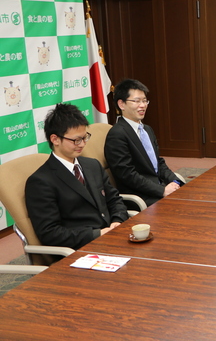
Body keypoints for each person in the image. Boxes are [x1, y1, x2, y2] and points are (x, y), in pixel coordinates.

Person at [25, 103, 128, 250]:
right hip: (81, 247)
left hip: (112, 236)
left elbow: (114, 200)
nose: (82, 144)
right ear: (55, 139)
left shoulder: (92, 165)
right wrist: (96, 234)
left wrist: (117, 221)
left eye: (85, 138)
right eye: (76, 140)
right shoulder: (40, 181)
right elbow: (50, 233)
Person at [105, 79, 180, 207]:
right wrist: (162, 190)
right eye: (137, 101)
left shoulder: (147, 129)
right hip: (140, 196)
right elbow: (127, 175)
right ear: (121, 104)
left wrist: (176, 182)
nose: (143, 105)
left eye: (145, 101)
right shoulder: (117, 134)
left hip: (158, 187)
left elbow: (158, 163)